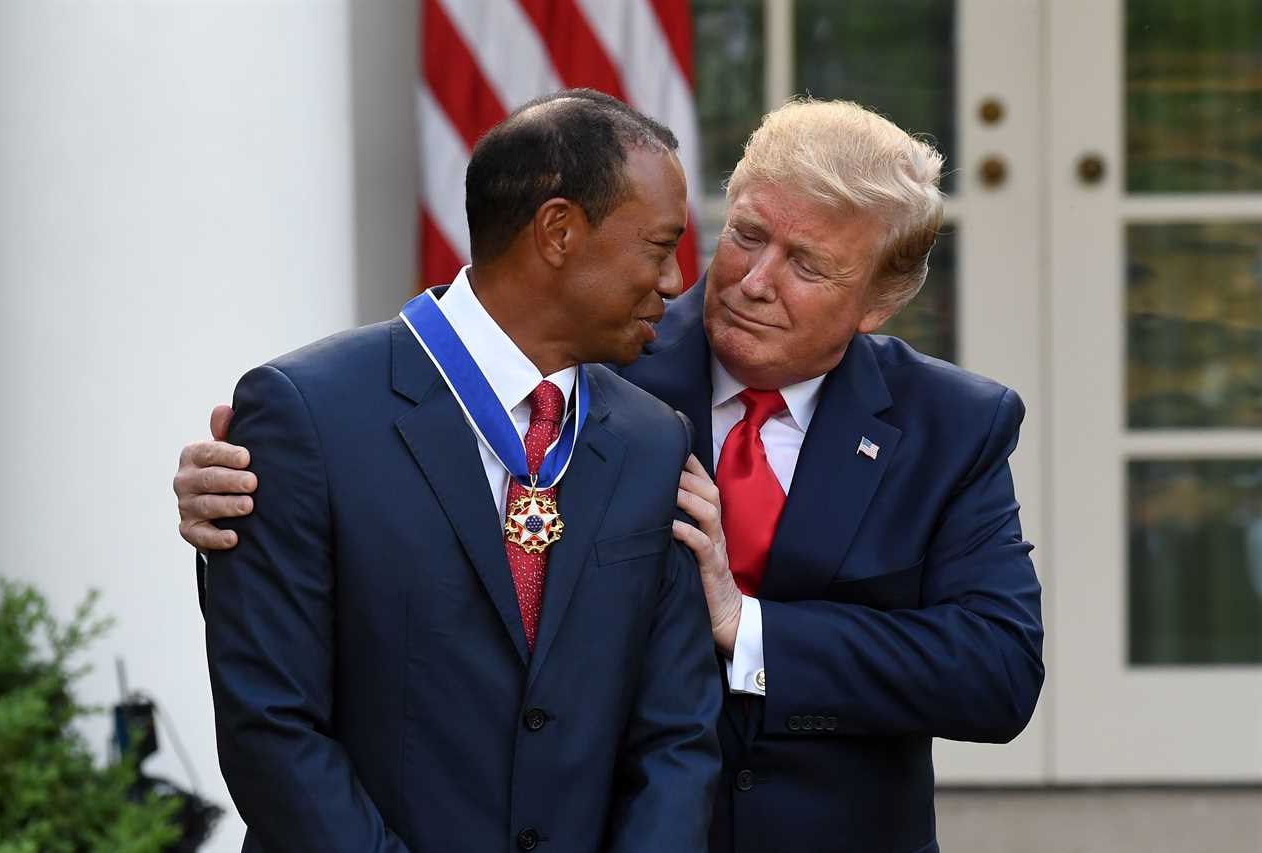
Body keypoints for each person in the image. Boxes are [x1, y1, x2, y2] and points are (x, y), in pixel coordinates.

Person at [176, 97, 1044, 853]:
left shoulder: (953, 426)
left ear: (880, 299)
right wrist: (254, 477)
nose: (748, 280)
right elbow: (411, 420)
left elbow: (998, 669)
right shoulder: (598, 359)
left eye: (808, 265)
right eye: (744, 236)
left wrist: (748, 629)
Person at [191, 90, 722, 853]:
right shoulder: (305, 414)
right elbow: (271, 725)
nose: (675, 283)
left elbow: (676, 737)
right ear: (559, 230)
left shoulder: (652, 440)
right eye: (659, 246)